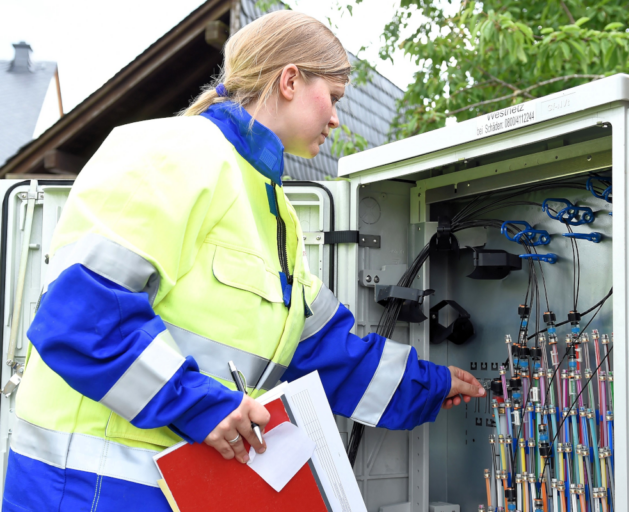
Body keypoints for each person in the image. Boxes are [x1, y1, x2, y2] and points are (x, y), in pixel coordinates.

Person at [1, 11, 485, 512]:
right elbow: (80, 317)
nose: (338, 118)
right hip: (87, 489)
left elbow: (320, 349)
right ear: (290, 80)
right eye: (335, 98)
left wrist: (431, 385)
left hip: (179, 491)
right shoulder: (171, 153)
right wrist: (203, 406)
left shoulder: (276, 212)